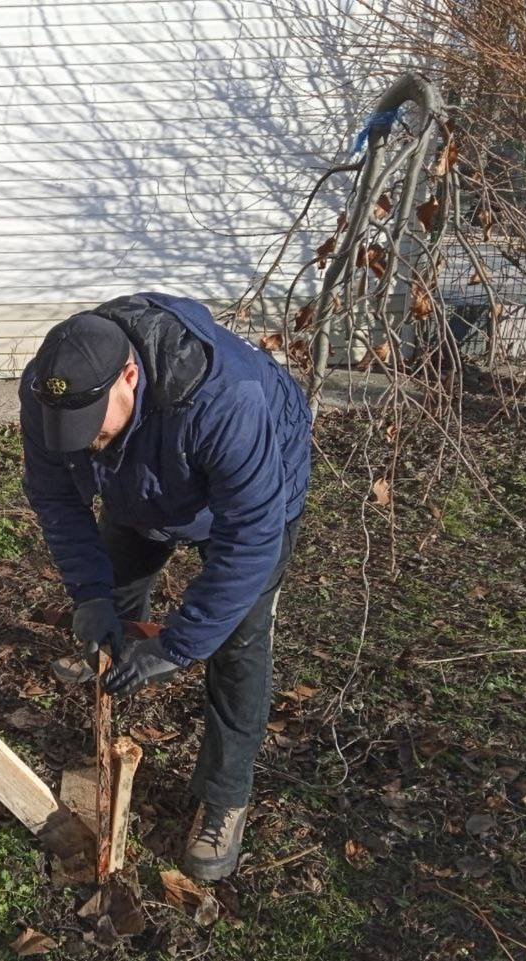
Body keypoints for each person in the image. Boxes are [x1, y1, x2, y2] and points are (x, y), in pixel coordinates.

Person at [18, 292, 311, 881]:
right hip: (140, 485)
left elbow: (248, 539)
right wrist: (90, 595)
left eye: (89, 426)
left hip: (253, 495)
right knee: (116, 584)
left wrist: (180, 643)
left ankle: (224, 797)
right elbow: (56, 500)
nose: (78, 438)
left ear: (129, 375)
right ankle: (117, 662)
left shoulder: (225, 399)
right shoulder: (48, 390)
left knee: (237, 644)